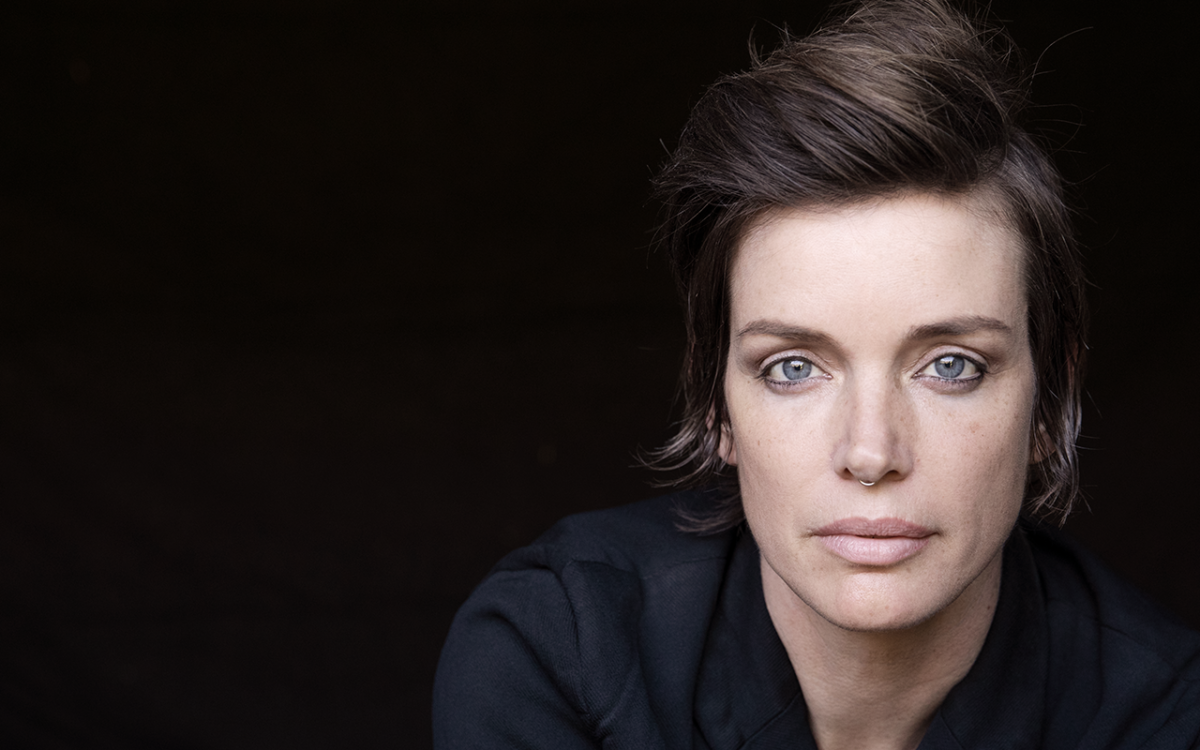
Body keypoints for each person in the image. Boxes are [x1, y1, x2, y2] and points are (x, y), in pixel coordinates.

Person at [433, 0, 1200, 747]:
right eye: (794, 367)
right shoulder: (556, 655)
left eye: (951, 365)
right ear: (715, 402)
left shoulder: (1166, 718)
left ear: (1049, 400)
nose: (870, 453)